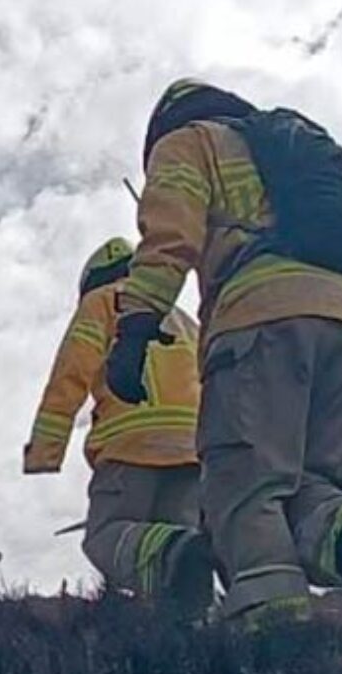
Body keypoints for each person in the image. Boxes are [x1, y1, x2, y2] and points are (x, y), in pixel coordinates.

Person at [106, 79, 342, 642]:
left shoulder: (191, 142)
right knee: (312, 490)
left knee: (245, 493)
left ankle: (278, 646)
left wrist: (137, 327)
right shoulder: (326, 164)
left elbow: (170, 240)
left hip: (262, 322)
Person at [24, 237, 215, 615]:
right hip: (195, 451)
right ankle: (191, 638)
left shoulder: (103, 303)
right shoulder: (181, 318)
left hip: (131, 446)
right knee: (182, 553)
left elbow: (71, 374)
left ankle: (173, 565)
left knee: (106, 536)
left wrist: (45, 450)